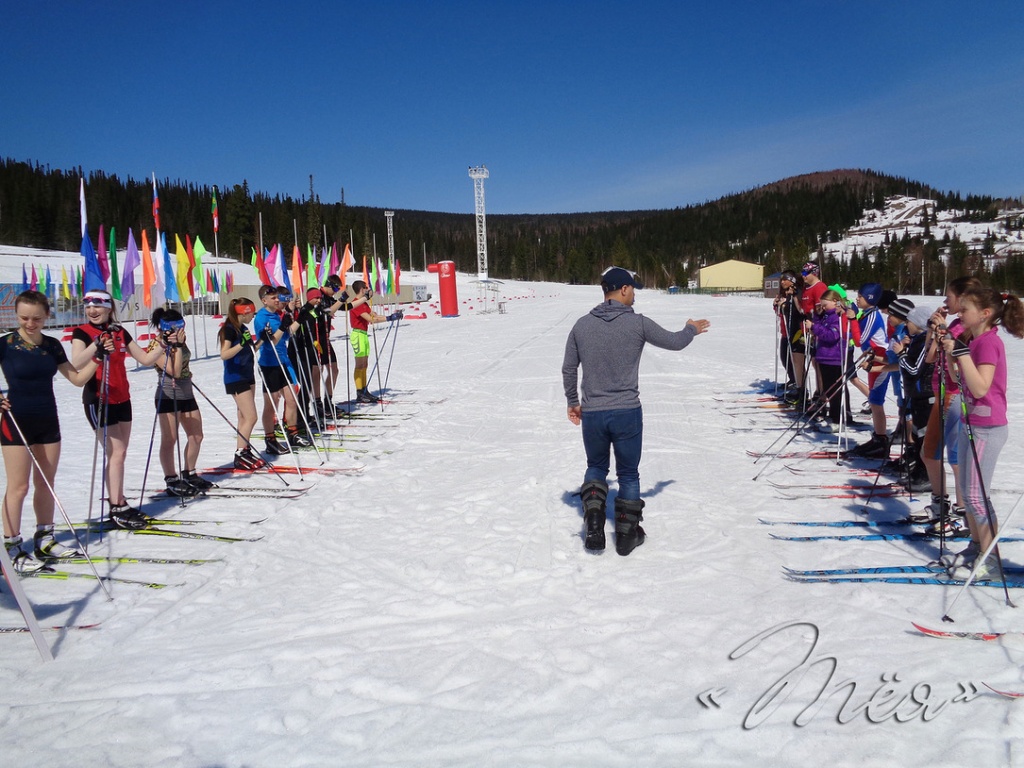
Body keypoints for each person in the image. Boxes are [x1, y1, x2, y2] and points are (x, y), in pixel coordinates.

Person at [562, 266, 710, 556]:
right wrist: (691, 328)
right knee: (628, 474)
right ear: (624, 289)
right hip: (627, 411)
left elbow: (569, 367)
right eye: (633, 291)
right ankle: (627, 536)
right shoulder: (638, 324)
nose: (635, 297)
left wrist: (572, 401)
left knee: (596, 467)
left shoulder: (580, 325)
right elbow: (675, 342)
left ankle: (594, 521)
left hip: (593, 412)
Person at [2, 291, 102, 572]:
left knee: (46, 482)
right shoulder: (6, 344)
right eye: (23, 318)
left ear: (47, 316)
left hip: (47, 420)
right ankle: (11, 546)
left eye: (36, 318)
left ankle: (44, 537)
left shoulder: (52, 345)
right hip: (15, 420)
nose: (29, 323)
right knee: (18, 487)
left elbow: (77, 379)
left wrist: (98, 358)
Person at [939, 287, 1024, 580]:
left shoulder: (988, 343)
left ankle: (991, 558)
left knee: (976, 496)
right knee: (965, 486)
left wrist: (961, 354)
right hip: (970, 422)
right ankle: (977, 546)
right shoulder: (972, 340)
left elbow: (980, 387)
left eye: (964, 311)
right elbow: (957, 379)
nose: (959, 315)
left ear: (984, 314)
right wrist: (953, 355)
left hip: (988, 428)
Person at [69, 289, 165, 530]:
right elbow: (74, 363)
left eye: (98, 306)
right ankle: (116, 506)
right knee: (117, 453)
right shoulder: (82, 332)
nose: (92, 310)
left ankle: (119, 501)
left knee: (118, 455)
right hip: (98, 399)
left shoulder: (120, 331)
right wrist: (97, 347)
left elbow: (144, 359)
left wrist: (164, 344)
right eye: (88, 306)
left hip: (123, 399)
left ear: (109, 308)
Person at [916, 276, 983, 530]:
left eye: (949, 297)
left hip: (954, 395)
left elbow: (960, 359)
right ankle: (941, 503)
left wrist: (944, 331)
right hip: (942, 392)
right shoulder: (955, 323)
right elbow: (931, 357)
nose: (945, 301)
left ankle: (962, 509)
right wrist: (934, 332)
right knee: (930, 452)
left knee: (952, 456)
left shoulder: (967, 329)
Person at [148, 307, 211, 496]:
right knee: (170, 439)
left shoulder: (181, 341)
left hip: (186, 391)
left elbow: (183, 364)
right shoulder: (156, 345)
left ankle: (189, 472)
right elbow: (173, 370)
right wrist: (177, 347)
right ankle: (171, 478)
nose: (179, 331)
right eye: (174, 327)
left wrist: (186, 367)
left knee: (196, 435)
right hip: (168, 393)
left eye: (180, 326)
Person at [253, 285, 311, 452]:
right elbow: (271, 341)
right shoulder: (261, 318)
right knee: (272, 404)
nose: (277, 300)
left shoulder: (276, 315)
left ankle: (292, 433)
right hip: (269, 364)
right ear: (264, 300)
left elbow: (287, 335)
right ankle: (270, 439)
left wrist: (300, 319)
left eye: (277, 297)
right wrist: (281, 326)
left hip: (283, 361)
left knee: (292, 398)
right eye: (273, 298)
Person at [218, 297, 266, 471]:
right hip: (235, 377)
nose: (253, 316)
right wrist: (241, 345)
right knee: (251, 417)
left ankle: (244, 449)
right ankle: (240, 453)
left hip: (247, 375)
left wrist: (262, 339)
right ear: (244, 312)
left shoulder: (243, 328)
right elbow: (224, 354)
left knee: (244, 418)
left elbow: (251, 349)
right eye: (251, 312)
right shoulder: (228, 330)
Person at [847, 282, 890, 458]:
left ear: (870, 299)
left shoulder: (872, 316)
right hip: (872, 358)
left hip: (881, 362)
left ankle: (881, 441)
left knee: (876, 401)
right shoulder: (866, 314)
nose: (857, 298)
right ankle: (878, 438)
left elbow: (859, 339)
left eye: (861, 296)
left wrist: (851, 319)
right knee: (874, 400)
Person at [348, 281, 402, 404]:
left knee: (364, 364)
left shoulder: (363, 303)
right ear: (361, 289)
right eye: (366, 288)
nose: (367, 290)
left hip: (363, 334)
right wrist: (388, 319)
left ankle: (364, 389)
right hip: (357, 334)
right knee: (360, 364)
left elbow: (373, 315)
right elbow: (370, 319)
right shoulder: (356, 303)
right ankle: (359, 392)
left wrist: (391, 315)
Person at [807, 289, 848, 432]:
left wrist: (814, 327)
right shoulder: (826, 315)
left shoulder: (837, 317)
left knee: (833, 391)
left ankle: (837, 420)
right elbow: (820, 327)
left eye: (825, 305)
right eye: (822, 305)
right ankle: (833, 417)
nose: (823, 308)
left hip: (833, 357)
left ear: (835, 302)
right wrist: (817, 316)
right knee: (828, 390)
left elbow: (831, 336)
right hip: (824, 356)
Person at [772, 270, 803, 396]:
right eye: (781, 280)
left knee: (795, 360)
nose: (782, 282)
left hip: (796, 330)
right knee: (785, 358)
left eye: (785, 279)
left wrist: (784, 304)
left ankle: (799, 384)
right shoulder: (783, 293)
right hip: (785, 330)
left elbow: (798, 310)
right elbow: (781, 312)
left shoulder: (797, 292)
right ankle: (793, 380)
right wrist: (776, 306)